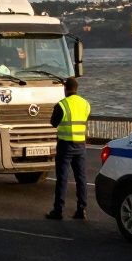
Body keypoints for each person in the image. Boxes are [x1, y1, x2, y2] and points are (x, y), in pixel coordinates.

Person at [46, 77, 91, 220]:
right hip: (80, 145)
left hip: (65, 145)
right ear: (76, 89)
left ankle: (58, 210)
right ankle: (82, 209)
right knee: (81, 178)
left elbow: (53, 123)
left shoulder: (62, 105)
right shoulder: (86, 104)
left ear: (65, 89)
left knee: (62, 178)